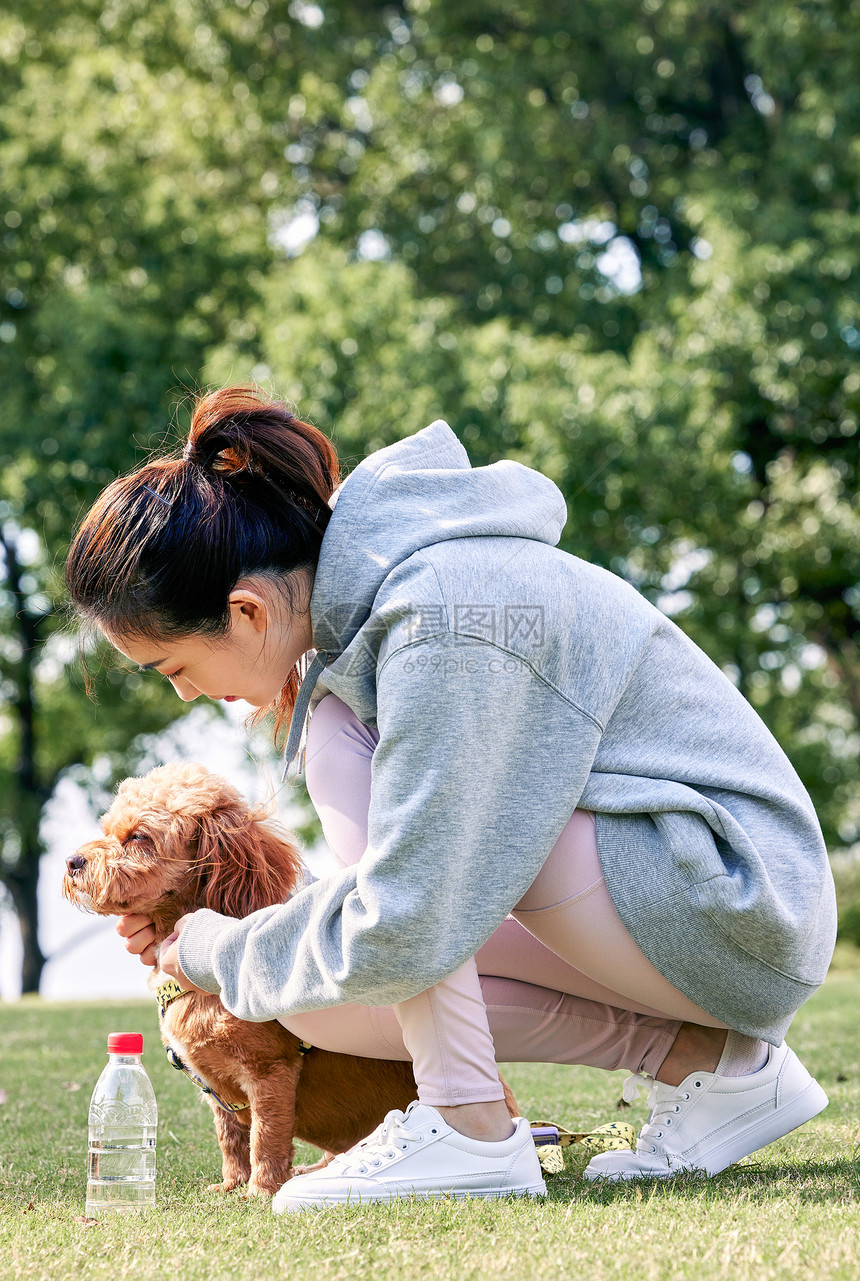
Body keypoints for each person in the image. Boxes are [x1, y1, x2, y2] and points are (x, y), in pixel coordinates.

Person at [65, 385, 836, 1211]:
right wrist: (218, 941)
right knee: (323, 1005)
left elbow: (406, 913)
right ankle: (713, 1066)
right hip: (695, 905)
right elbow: (399, 913)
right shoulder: (395, 612)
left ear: (245, 610)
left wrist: (217, 949)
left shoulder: (443, 614)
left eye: (174, 669)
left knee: (342, 770)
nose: (184, 696)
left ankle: (468, 1130)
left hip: (739, 901)